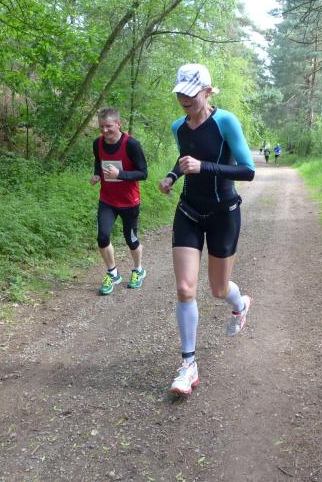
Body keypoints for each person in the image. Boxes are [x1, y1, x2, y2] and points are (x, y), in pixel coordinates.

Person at [158, 64, 255, 396]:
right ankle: (188, 365)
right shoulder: (178, 126)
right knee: (185, 289)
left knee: (218, 289)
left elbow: (247, 170)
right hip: (188, 211)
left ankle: (240, 304)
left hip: (223, 213)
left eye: (191, 93)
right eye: (180, 94)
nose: (184, 99)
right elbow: (185, 158)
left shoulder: (225, 121)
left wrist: (204, 167)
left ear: (208, 91)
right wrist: (172, 176)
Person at [90, 107, 148, 295]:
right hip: (107, 199)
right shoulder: (97, 143)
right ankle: (112, 273)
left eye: (108, 126)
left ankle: (138, 270)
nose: (104, 130)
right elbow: (98, 161)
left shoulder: (132, 144)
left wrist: (120, 174)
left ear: (118, 124)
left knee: (131, 239)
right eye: (101, 127)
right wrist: (97, 175)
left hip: (129, 201)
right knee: (102, 237)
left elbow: (143, 173)